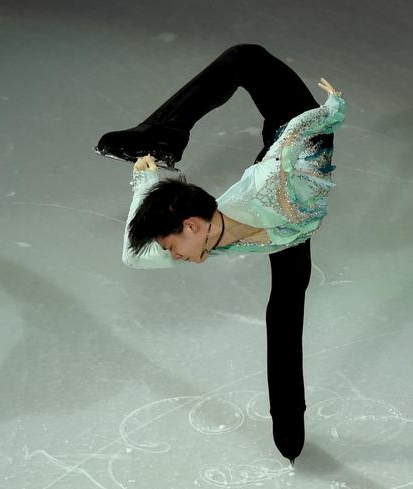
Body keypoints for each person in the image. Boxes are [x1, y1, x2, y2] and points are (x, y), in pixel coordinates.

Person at [94, 44, 346, 464]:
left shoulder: (268, 183)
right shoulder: (206, 239)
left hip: (296, 142)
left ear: (191, 226)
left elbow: (299, 132)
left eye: (171, 247)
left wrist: (330, 109)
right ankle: (288, 422)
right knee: (285, 306)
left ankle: (163, 133)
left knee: (247, 57)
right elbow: (134, 257)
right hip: (286, 211)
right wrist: (145, 185)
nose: (175, 258)